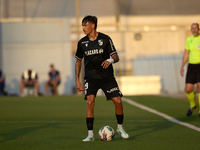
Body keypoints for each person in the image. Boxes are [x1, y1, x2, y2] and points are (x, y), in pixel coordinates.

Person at [75, 15, 129, 142]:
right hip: (90, 78)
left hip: (107, 77)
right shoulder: (82, 43)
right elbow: (78, 62)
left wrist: (110, 60)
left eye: (85, 25)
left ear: (93, 25)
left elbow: (116, 57)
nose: (83, 28)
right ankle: (90, 135)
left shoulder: (105, 39)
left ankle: (120, 128)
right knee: (90, 102)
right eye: (82, 25)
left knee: (118, 101)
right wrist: (77, 80)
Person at [180, 22, 200, 117]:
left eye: (196, 28)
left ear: (198, 29)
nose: (194, 30)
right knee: (188, 89)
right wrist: (182, 66)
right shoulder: (189, 39)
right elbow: (186, 53)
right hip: (191, 66)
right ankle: (192, 105)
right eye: (192, 28)